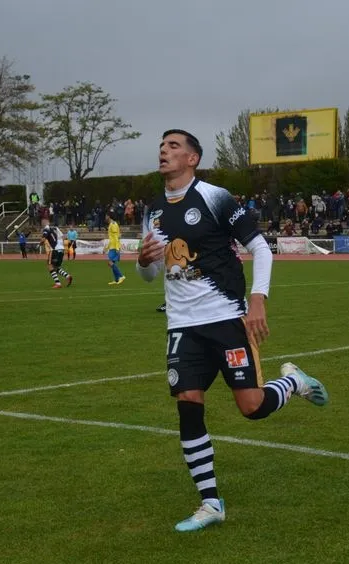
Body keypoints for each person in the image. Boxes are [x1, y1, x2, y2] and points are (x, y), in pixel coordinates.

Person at [138, 129, 329, 533]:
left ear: (193, 158)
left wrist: (258, 298)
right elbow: (150, 274)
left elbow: (260, 248)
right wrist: (141, 260)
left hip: (226, 318)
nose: (164, 151)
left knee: (251, 407)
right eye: (162, 146)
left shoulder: (215, 197)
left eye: (173, 146)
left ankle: (293, 383)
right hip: (182, 325)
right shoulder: (153, 211)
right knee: (188, 402)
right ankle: (211, 503)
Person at [41, 219, 72, 289]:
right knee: (56, 267)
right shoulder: (56, 228)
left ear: (44, 223)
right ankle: (67, 276)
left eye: (42, 222)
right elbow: (64, 237)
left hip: (55, 249)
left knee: (50, 265)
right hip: (61, 249)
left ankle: (58, 283)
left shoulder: (46, 229)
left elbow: (43, 239)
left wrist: (40, 243)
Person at [104, 210, 125, 285]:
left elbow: (116, 237)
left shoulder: (113, 225)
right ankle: (116, 280)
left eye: (106, 215)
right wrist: (106, 248)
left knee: (110, 263)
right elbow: (112, 238)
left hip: (114, 247)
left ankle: (121, 276)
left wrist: (117, 248)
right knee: (111, 263)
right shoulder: (111, 224)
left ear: (109, 216)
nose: (105, 217)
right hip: (112, 246)